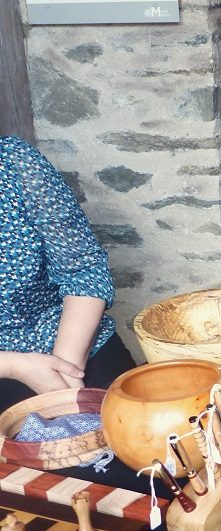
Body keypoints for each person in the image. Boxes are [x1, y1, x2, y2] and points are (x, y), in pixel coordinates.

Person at [0, 136, 135, 411]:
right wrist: (15, 365)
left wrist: (64, 377)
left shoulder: (14, 162)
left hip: (71, 344)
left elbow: (84, 270)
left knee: (140, 442)